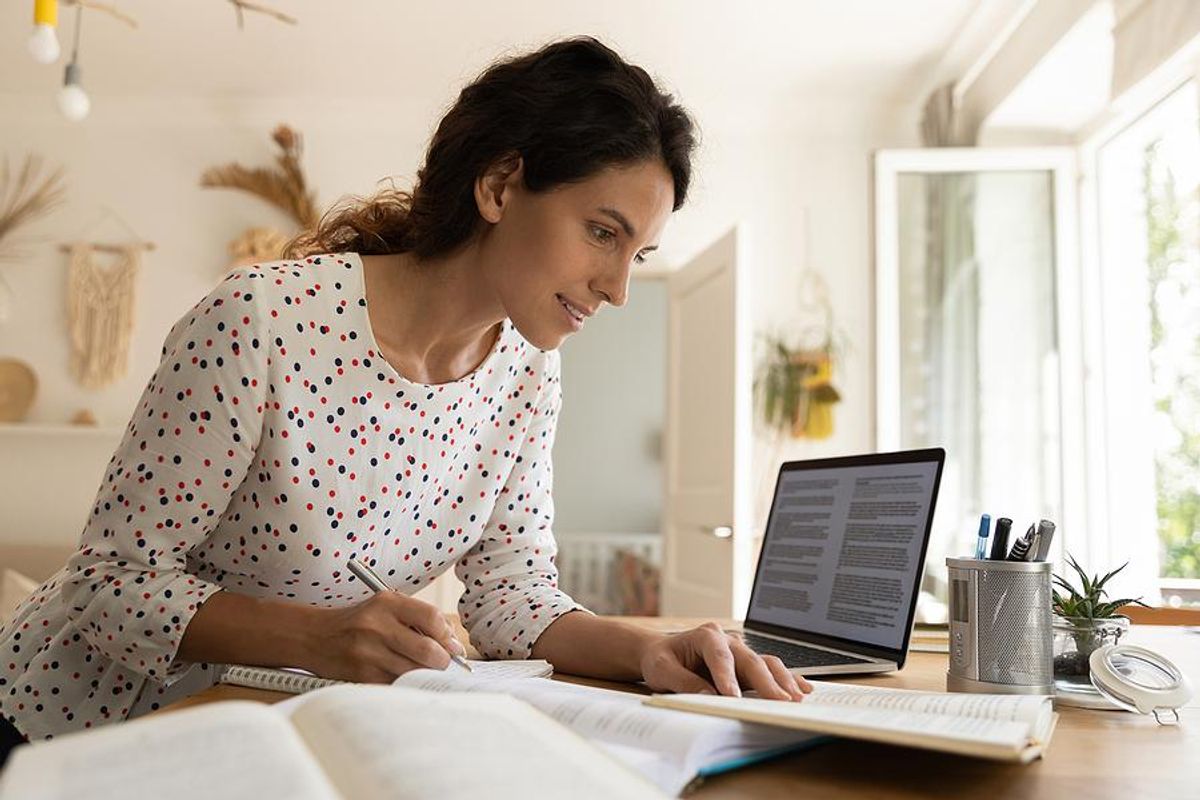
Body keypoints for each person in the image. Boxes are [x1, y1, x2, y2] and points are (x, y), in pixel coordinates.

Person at [0, 35, 809, 757]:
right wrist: (319, 637)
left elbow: (511, 595)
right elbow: (109, 582)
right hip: (73, 731)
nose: (619, 287)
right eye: (603, 232)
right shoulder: (261, 320)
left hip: (267, 735)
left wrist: (645, 650)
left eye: (641, 251)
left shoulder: (528, 372)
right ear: (499, 186)